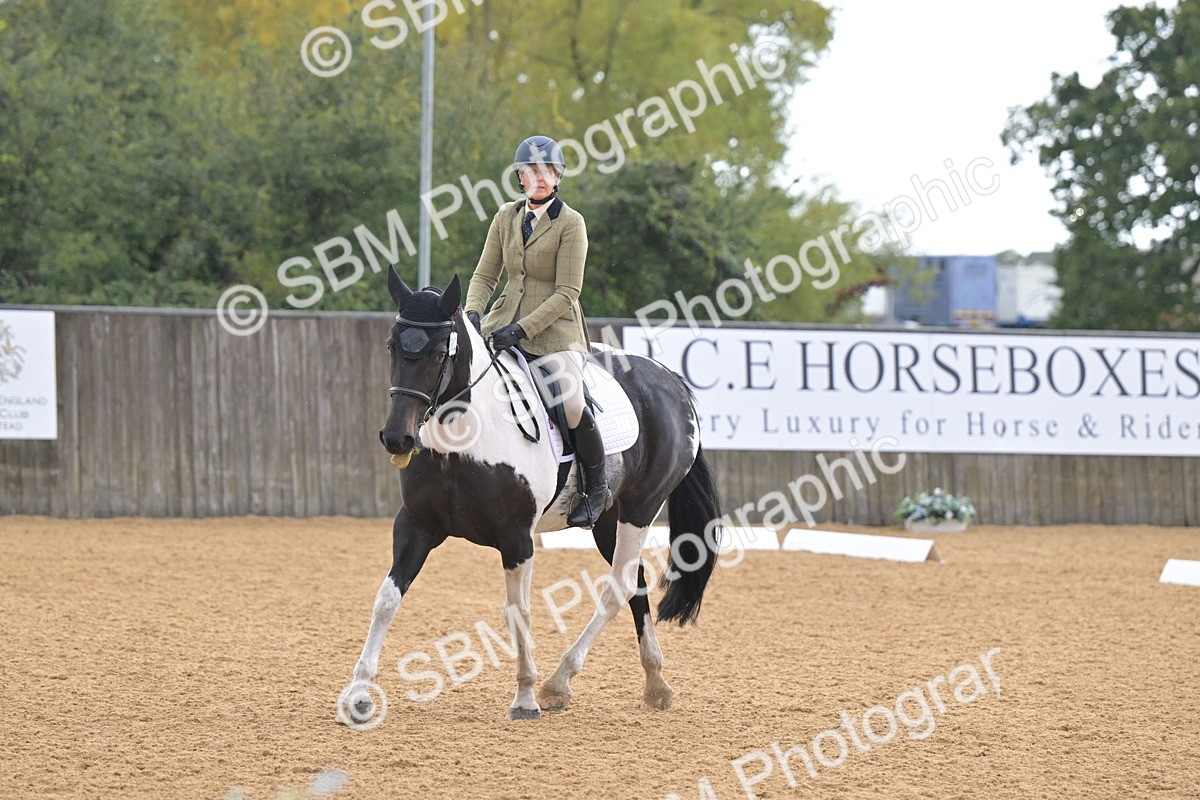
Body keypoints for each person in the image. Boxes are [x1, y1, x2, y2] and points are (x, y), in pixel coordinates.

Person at [463, 135, 612, 528]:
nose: (540, 178)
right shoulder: (504, 217)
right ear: (520, 177)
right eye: (532, 172)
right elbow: (484, 274)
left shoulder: (571, 223)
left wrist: (522, 329)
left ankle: (596, 487)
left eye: (548, 171)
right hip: (502, 322)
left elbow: (569, 291)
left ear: (558, 176)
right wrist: (473, 313)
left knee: (572, 401)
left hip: (555, 332)